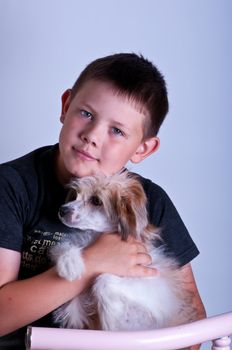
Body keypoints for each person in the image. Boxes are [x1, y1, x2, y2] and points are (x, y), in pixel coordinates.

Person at [0, 53, 206, 349]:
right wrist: (91, 264)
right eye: (86, 113)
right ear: (65, 106)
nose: (92, 136)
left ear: (143, 149)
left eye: (117, 130)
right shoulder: (12, 186)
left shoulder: (150, 202)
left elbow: (190, 321)